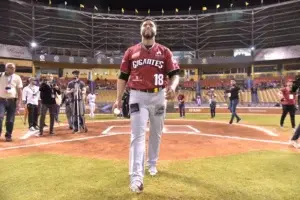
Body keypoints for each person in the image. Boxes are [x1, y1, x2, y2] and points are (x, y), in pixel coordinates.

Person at [112, 18, 180, 193]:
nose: (148, 26)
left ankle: (152, 163)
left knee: (156, 133)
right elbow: (122, 77)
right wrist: (118, 99)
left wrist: (172, 87)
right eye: (144, 25)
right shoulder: (131, 51)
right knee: (137, 135)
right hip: (137, 96)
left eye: (151, 25)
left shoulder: (165, 52)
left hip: (159, 97)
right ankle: (136, 178)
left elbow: (175, 75)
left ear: (155, 30)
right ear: (141, 31)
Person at [0, 63, 23, 142]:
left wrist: (19, 102)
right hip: (1, 100)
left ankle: (8, 135)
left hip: (12, 101)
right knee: (0, 117)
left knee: (10, 120)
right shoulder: (0, 75)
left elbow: (20, 91)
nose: (13, 69)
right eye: (11, 68)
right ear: (6, 68)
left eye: (14, 68)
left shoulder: (17, 77)